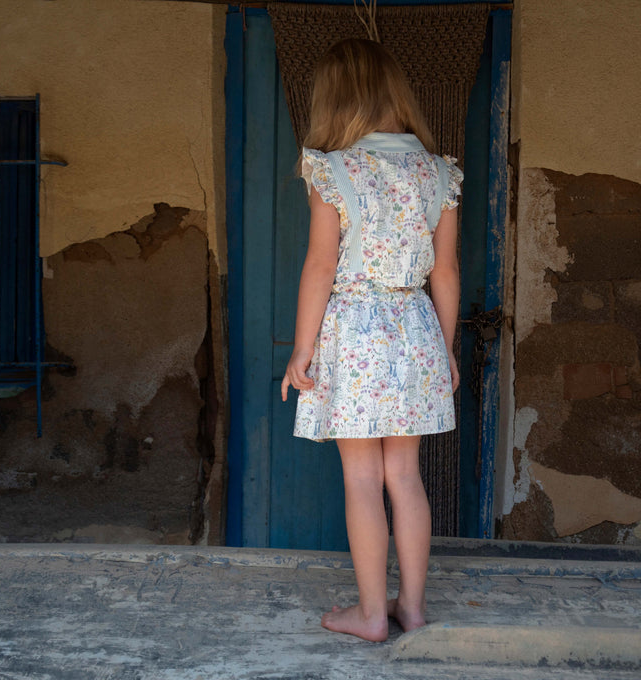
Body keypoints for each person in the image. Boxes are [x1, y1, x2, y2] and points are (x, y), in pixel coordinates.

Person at [280, 38, 462, 643]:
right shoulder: (439, 171)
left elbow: (320, 265)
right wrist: (447, 350)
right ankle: (411, 607)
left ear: (336, 97)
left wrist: (303, 349)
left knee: (361, 477)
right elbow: (447, 271)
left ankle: (368, 614)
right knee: (405, 475)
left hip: (353, 330)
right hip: (416, 328)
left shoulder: (330, 168)